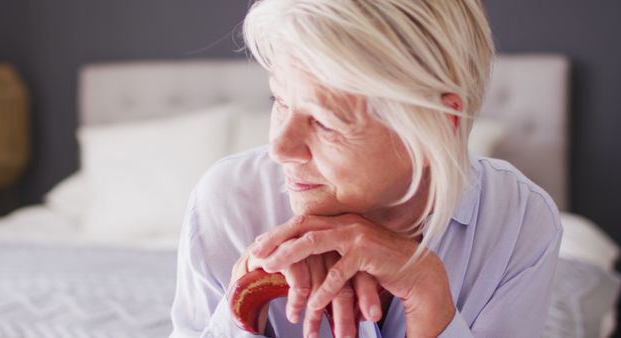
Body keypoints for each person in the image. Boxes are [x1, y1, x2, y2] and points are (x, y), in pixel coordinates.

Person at [169, 0, 563, 337]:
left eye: (325, 121)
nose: (280, 149)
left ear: (438, 128)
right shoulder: (229, 202)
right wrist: (245, 300)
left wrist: (431, 302)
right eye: (280, 102)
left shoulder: (520, 223)